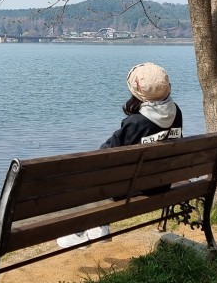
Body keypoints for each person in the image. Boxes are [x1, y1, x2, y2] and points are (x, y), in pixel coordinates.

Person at [56, 62, 183, 248]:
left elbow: (105, 155)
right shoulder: (176, 112)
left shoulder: (136, 122)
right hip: (162, 183)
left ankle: (87, 229)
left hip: (135, 187)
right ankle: (99, 225)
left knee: (90, 174)